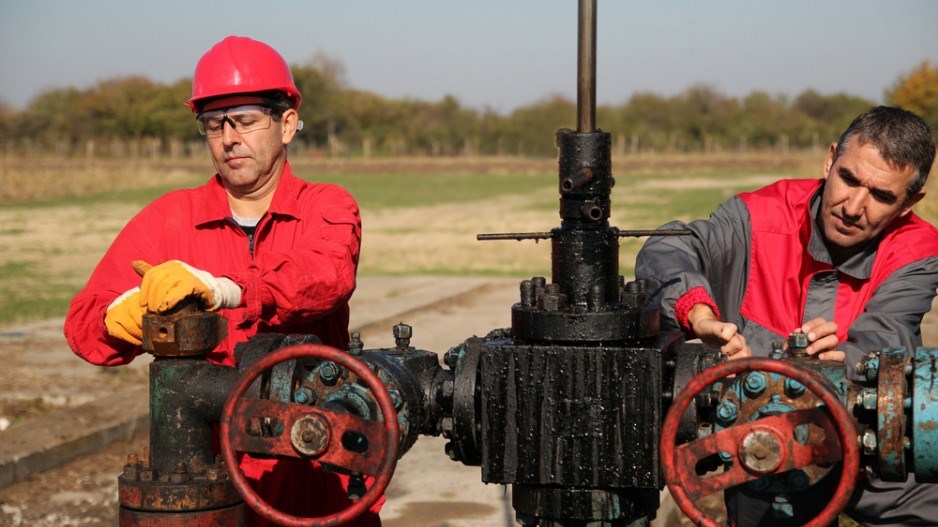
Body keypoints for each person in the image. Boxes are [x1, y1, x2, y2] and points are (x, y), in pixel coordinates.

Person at [64, 36, 379, 526]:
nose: (230, 138)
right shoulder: (169, 220)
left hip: (318, 480)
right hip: (212, 484)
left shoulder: (327, 206)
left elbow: (326, 277)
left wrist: (225, 289)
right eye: (215, 124)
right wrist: (118, 318)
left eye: (247, 120)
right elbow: (84, 326)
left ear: (288, 123)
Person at [636, 106, 938, 526]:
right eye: (848, 178)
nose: (853, 207)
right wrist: (698, 313)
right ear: (830, 160)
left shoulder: (916, 251)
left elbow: (887, 338)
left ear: (910, 202)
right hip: (763, 451)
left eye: (881, 195)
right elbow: (667, 248)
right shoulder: (757, 216)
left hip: (870, 450)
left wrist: (846, 361)